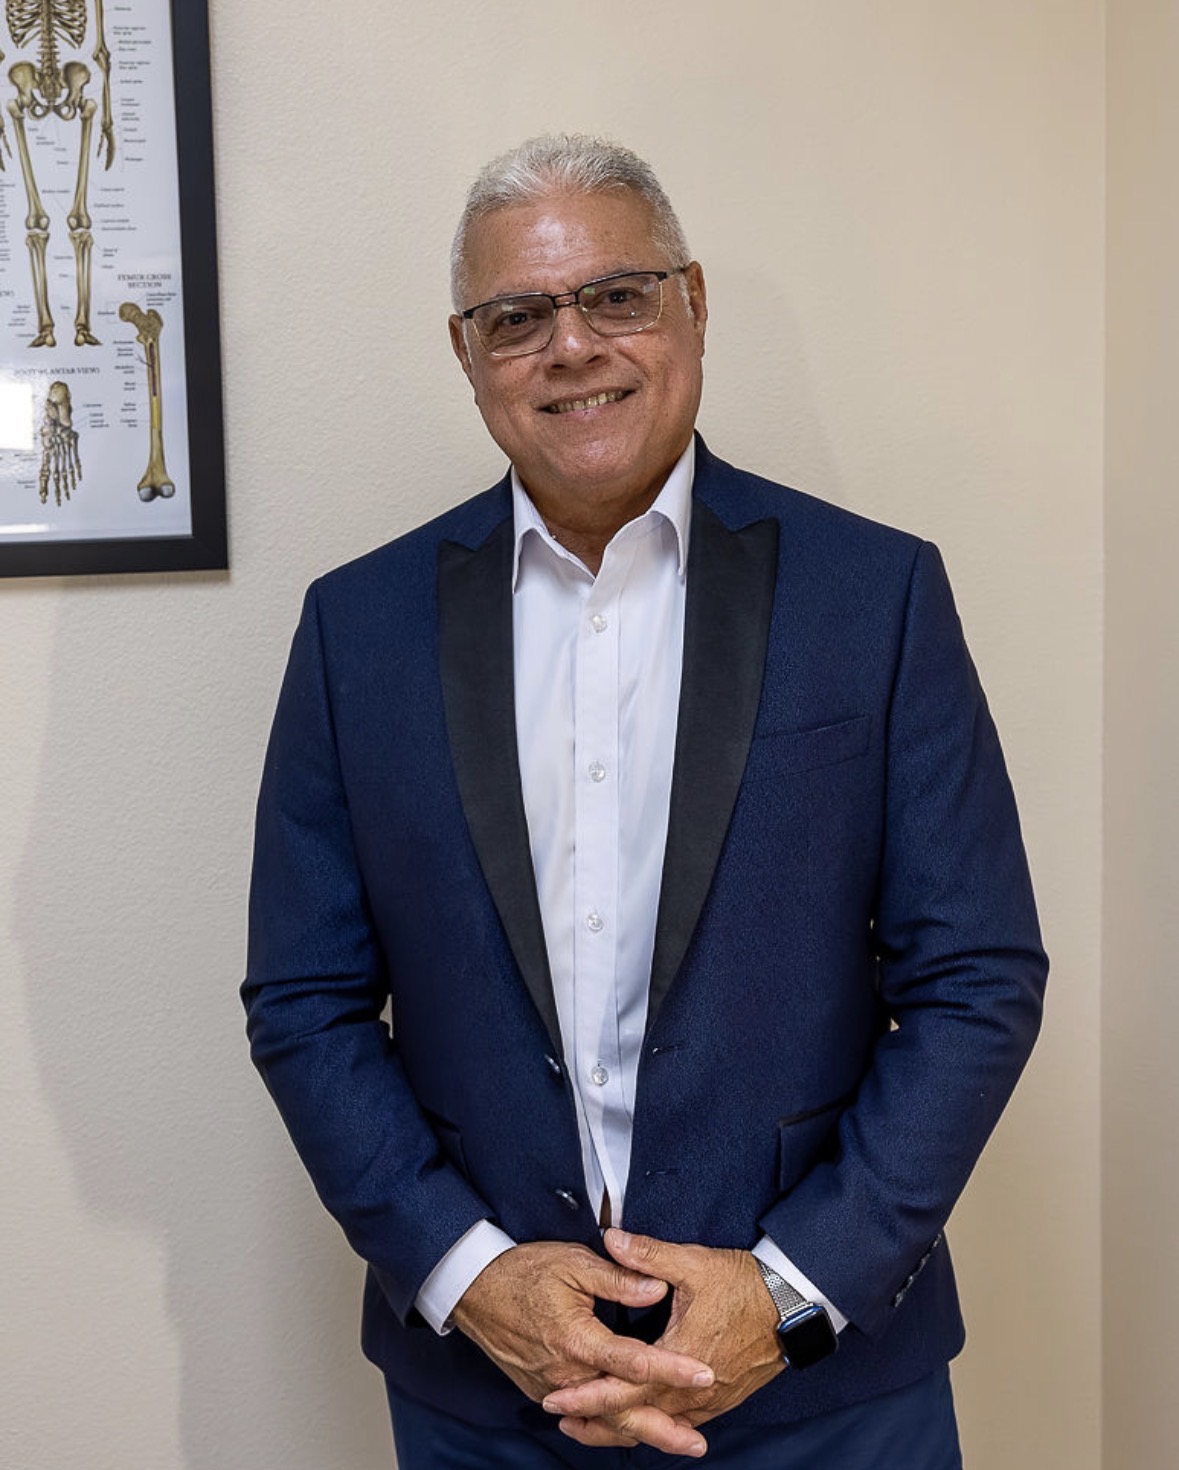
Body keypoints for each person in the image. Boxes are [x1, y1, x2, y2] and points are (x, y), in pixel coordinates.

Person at [243, 134, 1047, 1467]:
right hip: (492, 1398)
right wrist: (472, 1277)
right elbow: (304, 999)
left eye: (618, 294)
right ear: (467, 353)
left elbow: (977, 976)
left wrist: (785, 1294)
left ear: (695, 304)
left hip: (827, 1395)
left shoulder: (877, 599)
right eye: (519, 316)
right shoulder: (356, 631)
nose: (572, 346)